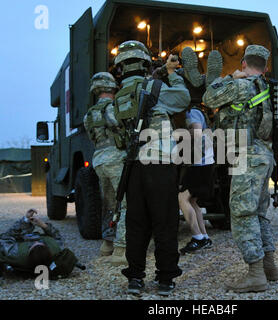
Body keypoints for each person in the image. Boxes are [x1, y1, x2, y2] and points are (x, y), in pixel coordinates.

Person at [113, 40, 190, 297]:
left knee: (136, 223)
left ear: (121, 67)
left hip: (133, 165)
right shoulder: (155, 87)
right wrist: (172, 74)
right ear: (145, 63)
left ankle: (135, 278)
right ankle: (165, 279)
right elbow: (183, 99)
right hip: (159, 162)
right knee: (164, 222)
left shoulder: (120, 96)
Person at [203, 45, 278, 293]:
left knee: (241, 214)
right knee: (258, 213)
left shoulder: (240, 85)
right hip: (264, 156)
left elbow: (208, 98)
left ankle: (256, 274)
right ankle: (269, 266)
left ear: (244, 63)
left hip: (247, 157)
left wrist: (229, 76)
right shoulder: (266, 89)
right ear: (266, 67)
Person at [83, 73, 127, 266]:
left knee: (108, 203)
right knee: (125, 203)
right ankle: (121, 250)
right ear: (112, 88)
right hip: (115, 158)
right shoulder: (111, 109)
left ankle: (107, 244)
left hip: (99, 159)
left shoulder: (88, 114)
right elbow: (120, 126)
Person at [178, 107, 215, 254]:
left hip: (200, 164)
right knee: (192, 201)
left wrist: (177, 136)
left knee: (182, 198)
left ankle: (197, 238)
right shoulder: (196, 112)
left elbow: (197, 132)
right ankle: (204, 237)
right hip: (203, 163)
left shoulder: (191, 112)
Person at [0, 209, 64, 270]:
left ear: (29, 251)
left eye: (34, 244)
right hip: (20, 241)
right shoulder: (55, 249)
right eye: (40, 243)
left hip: (12, 241)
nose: (35, 241)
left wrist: (24, 222)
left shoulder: (14, 252)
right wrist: (43, 225)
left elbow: (6, 236)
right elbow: (57, 236)